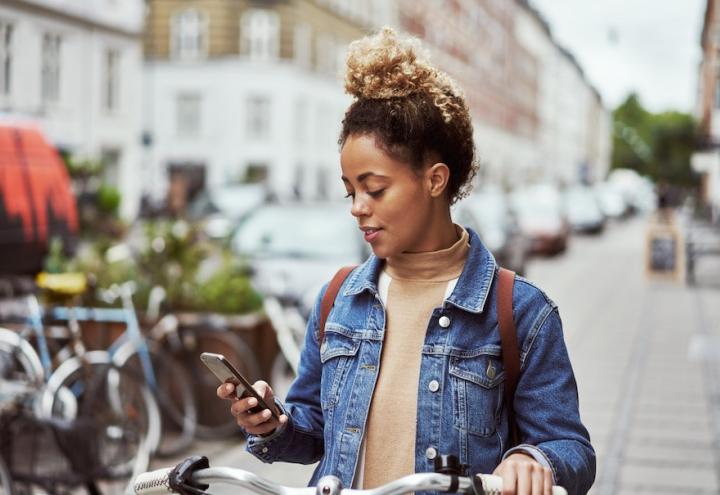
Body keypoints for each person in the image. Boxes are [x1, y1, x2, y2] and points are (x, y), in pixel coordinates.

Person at [218, 27, 595, 495]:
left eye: (374, 189)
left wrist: (532, 459)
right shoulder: (341, 297)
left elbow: (572, 449)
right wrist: (269, 425)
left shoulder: (519, 311)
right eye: (350, 190)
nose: (357, 206)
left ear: (435, 180)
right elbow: (313, 430)